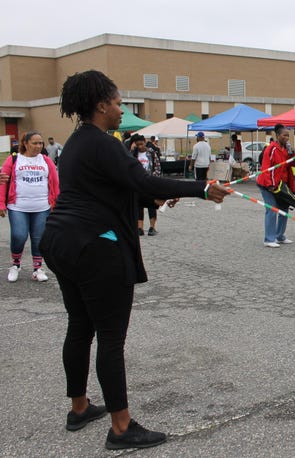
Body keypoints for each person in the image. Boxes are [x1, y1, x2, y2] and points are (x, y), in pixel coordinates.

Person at [38, 70, 230, 450]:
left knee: (80, 325)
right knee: (110, 337)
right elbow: (141, 182)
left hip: (60, 239)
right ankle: (122, 428)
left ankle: (79, 409)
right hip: (93, 246)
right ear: (101, 105)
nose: (121, 109)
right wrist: (202, 188)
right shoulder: (105, 143)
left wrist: (149, 198)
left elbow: (114, 190)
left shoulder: (77, 142)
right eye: (118, 102)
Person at [0, 131, 59, 282]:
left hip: (42, 207)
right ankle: (15, 265)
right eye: (35, 143)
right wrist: (1, 203)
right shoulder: (13, 160)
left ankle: (37, 268)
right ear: (25, 143)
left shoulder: (46, 161)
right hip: (17, 206)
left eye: (41, 143)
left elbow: (55, 184)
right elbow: (3, 183)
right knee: (18, 236)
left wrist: (56, 204)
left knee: (39, 239)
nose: (38, 146)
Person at [256, 124, 295, 247]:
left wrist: (292, 152)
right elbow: (266, 167)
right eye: (284, 135)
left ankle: (279, 236)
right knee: (272, 209)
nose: (287, 137)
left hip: (282, 184)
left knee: (284, 209)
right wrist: (270, 185)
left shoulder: (287, 149)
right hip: (267, 184)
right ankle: (269, 239)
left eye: (288, 135)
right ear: (278, 135)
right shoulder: (271, 149)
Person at [132, 135, 162, 236]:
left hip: (149, 182)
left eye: (141, 144)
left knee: (151, 205)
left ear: (145, 142)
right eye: (138, 144)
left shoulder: (151, 152)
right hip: (138, 183)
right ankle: (139, 227)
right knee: (139, 205)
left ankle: (152, 227)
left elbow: (157, 167)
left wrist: (153, 178)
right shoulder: (133, 154)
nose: (140, 146)